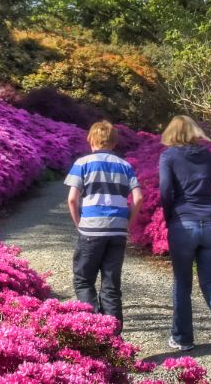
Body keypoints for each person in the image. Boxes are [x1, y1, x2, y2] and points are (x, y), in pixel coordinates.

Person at [158, 114, 211, 355]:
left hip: (183, 223)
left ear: (171, 133)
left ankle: (183, 338)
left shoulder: (168, 156)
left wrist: (169, 216)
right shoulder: (207, 155)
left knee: (182, 282)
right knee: (209, 280)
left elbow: (165, 190)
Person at [65, 120, 143, 332]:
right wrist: (127, 222)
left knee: (83, 280)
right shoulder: (125, 166)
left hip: (91, 229)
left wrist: (79, 224)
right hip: (117, 231)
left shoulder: (83, 163)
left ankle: (94, 331)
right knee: (111, 286)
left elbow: (72, 199)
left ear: (91, 139)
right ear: (114, 142)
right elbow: (138, 198)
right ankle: (114, 336)